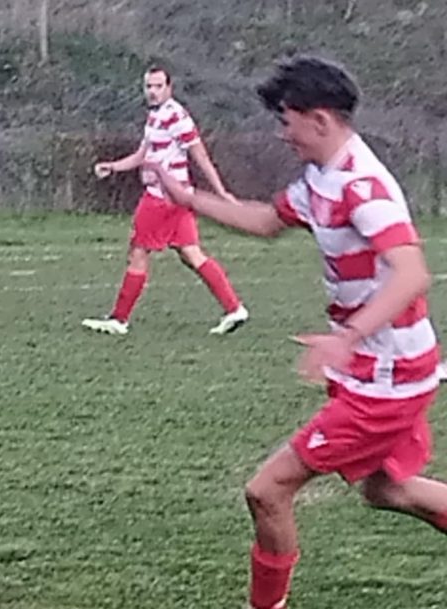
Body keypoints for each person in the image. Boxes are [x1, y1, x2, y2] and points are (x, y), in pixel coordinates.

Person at [149, 55, 446, 609]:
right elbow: (267, 221)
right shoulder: (322, 179)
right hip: (386, 369)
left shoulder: (361, 187)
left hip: (387, 377)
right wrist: (189, 199)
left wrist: (346, 338)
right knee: (389, 489)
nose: (282, 134)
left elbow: (411, 273)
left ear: (320, 119)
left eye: (287, 121)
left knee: (267, 491)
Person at [83, 67, 248, 336]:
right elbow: (142, 155)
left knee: (138, 253)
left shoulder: (176, 116)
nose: (152, 91)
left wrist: (221, 192)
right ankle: (234, 308)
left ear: (169, 88)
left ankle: (118, 320)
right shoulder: (155, 116)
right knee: (191, 254)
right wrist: (113, 166)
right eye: (148, 86)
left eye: (158, 86)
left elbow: (200, 156)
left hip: (162, 198)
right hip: (179, 197)